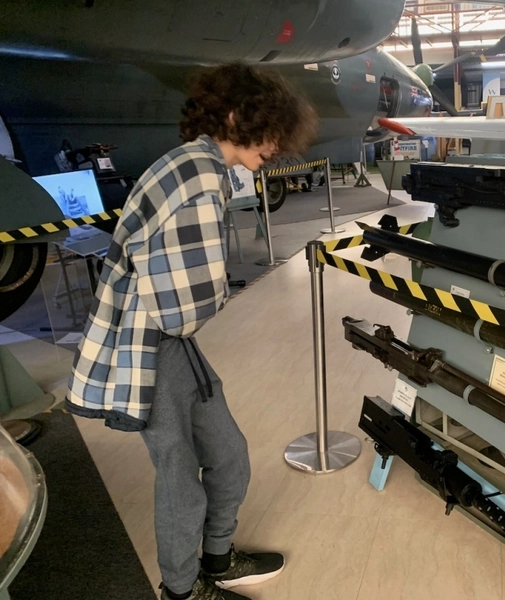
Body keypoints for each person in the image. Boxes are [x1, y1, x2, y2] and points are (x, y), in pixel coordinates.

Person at [66, 63, 317, 600]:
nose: (273, 146)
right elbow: (185, 311)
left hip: (167, 342)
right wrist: (215, 295)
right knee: (180, 477)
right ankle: (182, 591)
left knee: (228, 454)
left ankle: (218, 558)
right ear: (235, 117)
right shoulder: (200, 179)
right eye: (267, 131)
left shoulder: (192, 166)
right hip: (151, 345)